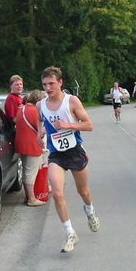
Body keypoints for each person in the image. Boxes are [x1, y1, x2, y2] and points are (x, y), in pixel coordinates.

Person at [38, 66, 100, 253]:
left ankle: (90, 212)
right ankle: (70, 233)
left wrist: (67, 124)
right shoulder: (40, 105)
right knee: (57, 193)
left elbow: (89, 125)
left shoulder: (71, 101)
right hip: (56, 154)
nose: (48, 88)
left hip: (75, 151)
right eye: (44, 84)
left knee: (83, 191)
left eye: (51, 83)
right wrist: (40, 132)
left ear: (60, 83)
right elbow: (40, 122)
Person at [14, 90, 47, 207]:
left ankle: (27, 196)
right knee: (30, 173)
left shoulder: (22, 109)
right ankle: (32, 199)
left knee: (25, 171)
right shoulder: (34, 111)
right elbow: (40, 131)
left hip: (21, 144)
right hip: (32, 145)